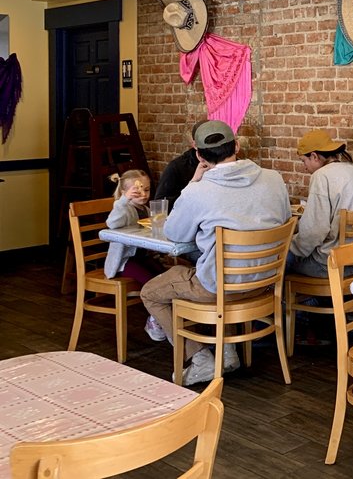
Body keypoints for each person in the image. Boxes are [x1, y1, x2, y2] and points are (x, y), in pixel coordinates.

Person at [140, 120, 291, 385]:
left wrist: (192, 184)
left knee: (151, 292)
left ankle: (201, 359)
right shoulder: (274, 179)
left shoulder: (199, 191)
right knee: (217, 269)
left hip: (220, 288)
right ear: (237, 146)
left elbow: (174, 233)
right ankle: (227, 353)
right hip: (265, 284)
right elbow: (286, 218)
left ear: (199, 155)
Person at [287, 130, 353, 277]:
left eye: (303, 161)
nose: (304, 167)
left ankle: (282, 292)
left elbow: (314, 232)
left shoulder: (321, 176)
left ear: (314, 156)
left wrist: (289, 245)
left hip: (334, 263)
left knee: (280, 259)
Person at [104, 169, 166, 341]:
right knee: (152, 284)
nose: (143, 194)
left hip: (143, 258)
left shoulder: (146, 209)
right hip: (124, 262)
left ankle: (161, 316)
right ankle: (155, 319)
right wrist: (124, 200)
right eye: (137, 191)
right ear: (125, 192)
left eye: (147, 190)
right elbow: (111, 223)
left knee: (166, 278)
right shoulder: (124, 209)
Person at [153, 119, 207, 209]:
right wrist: (193, 184)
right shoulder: (177, 167)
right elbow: (159, 206)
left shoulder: (224, 161)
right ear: (195, 145)